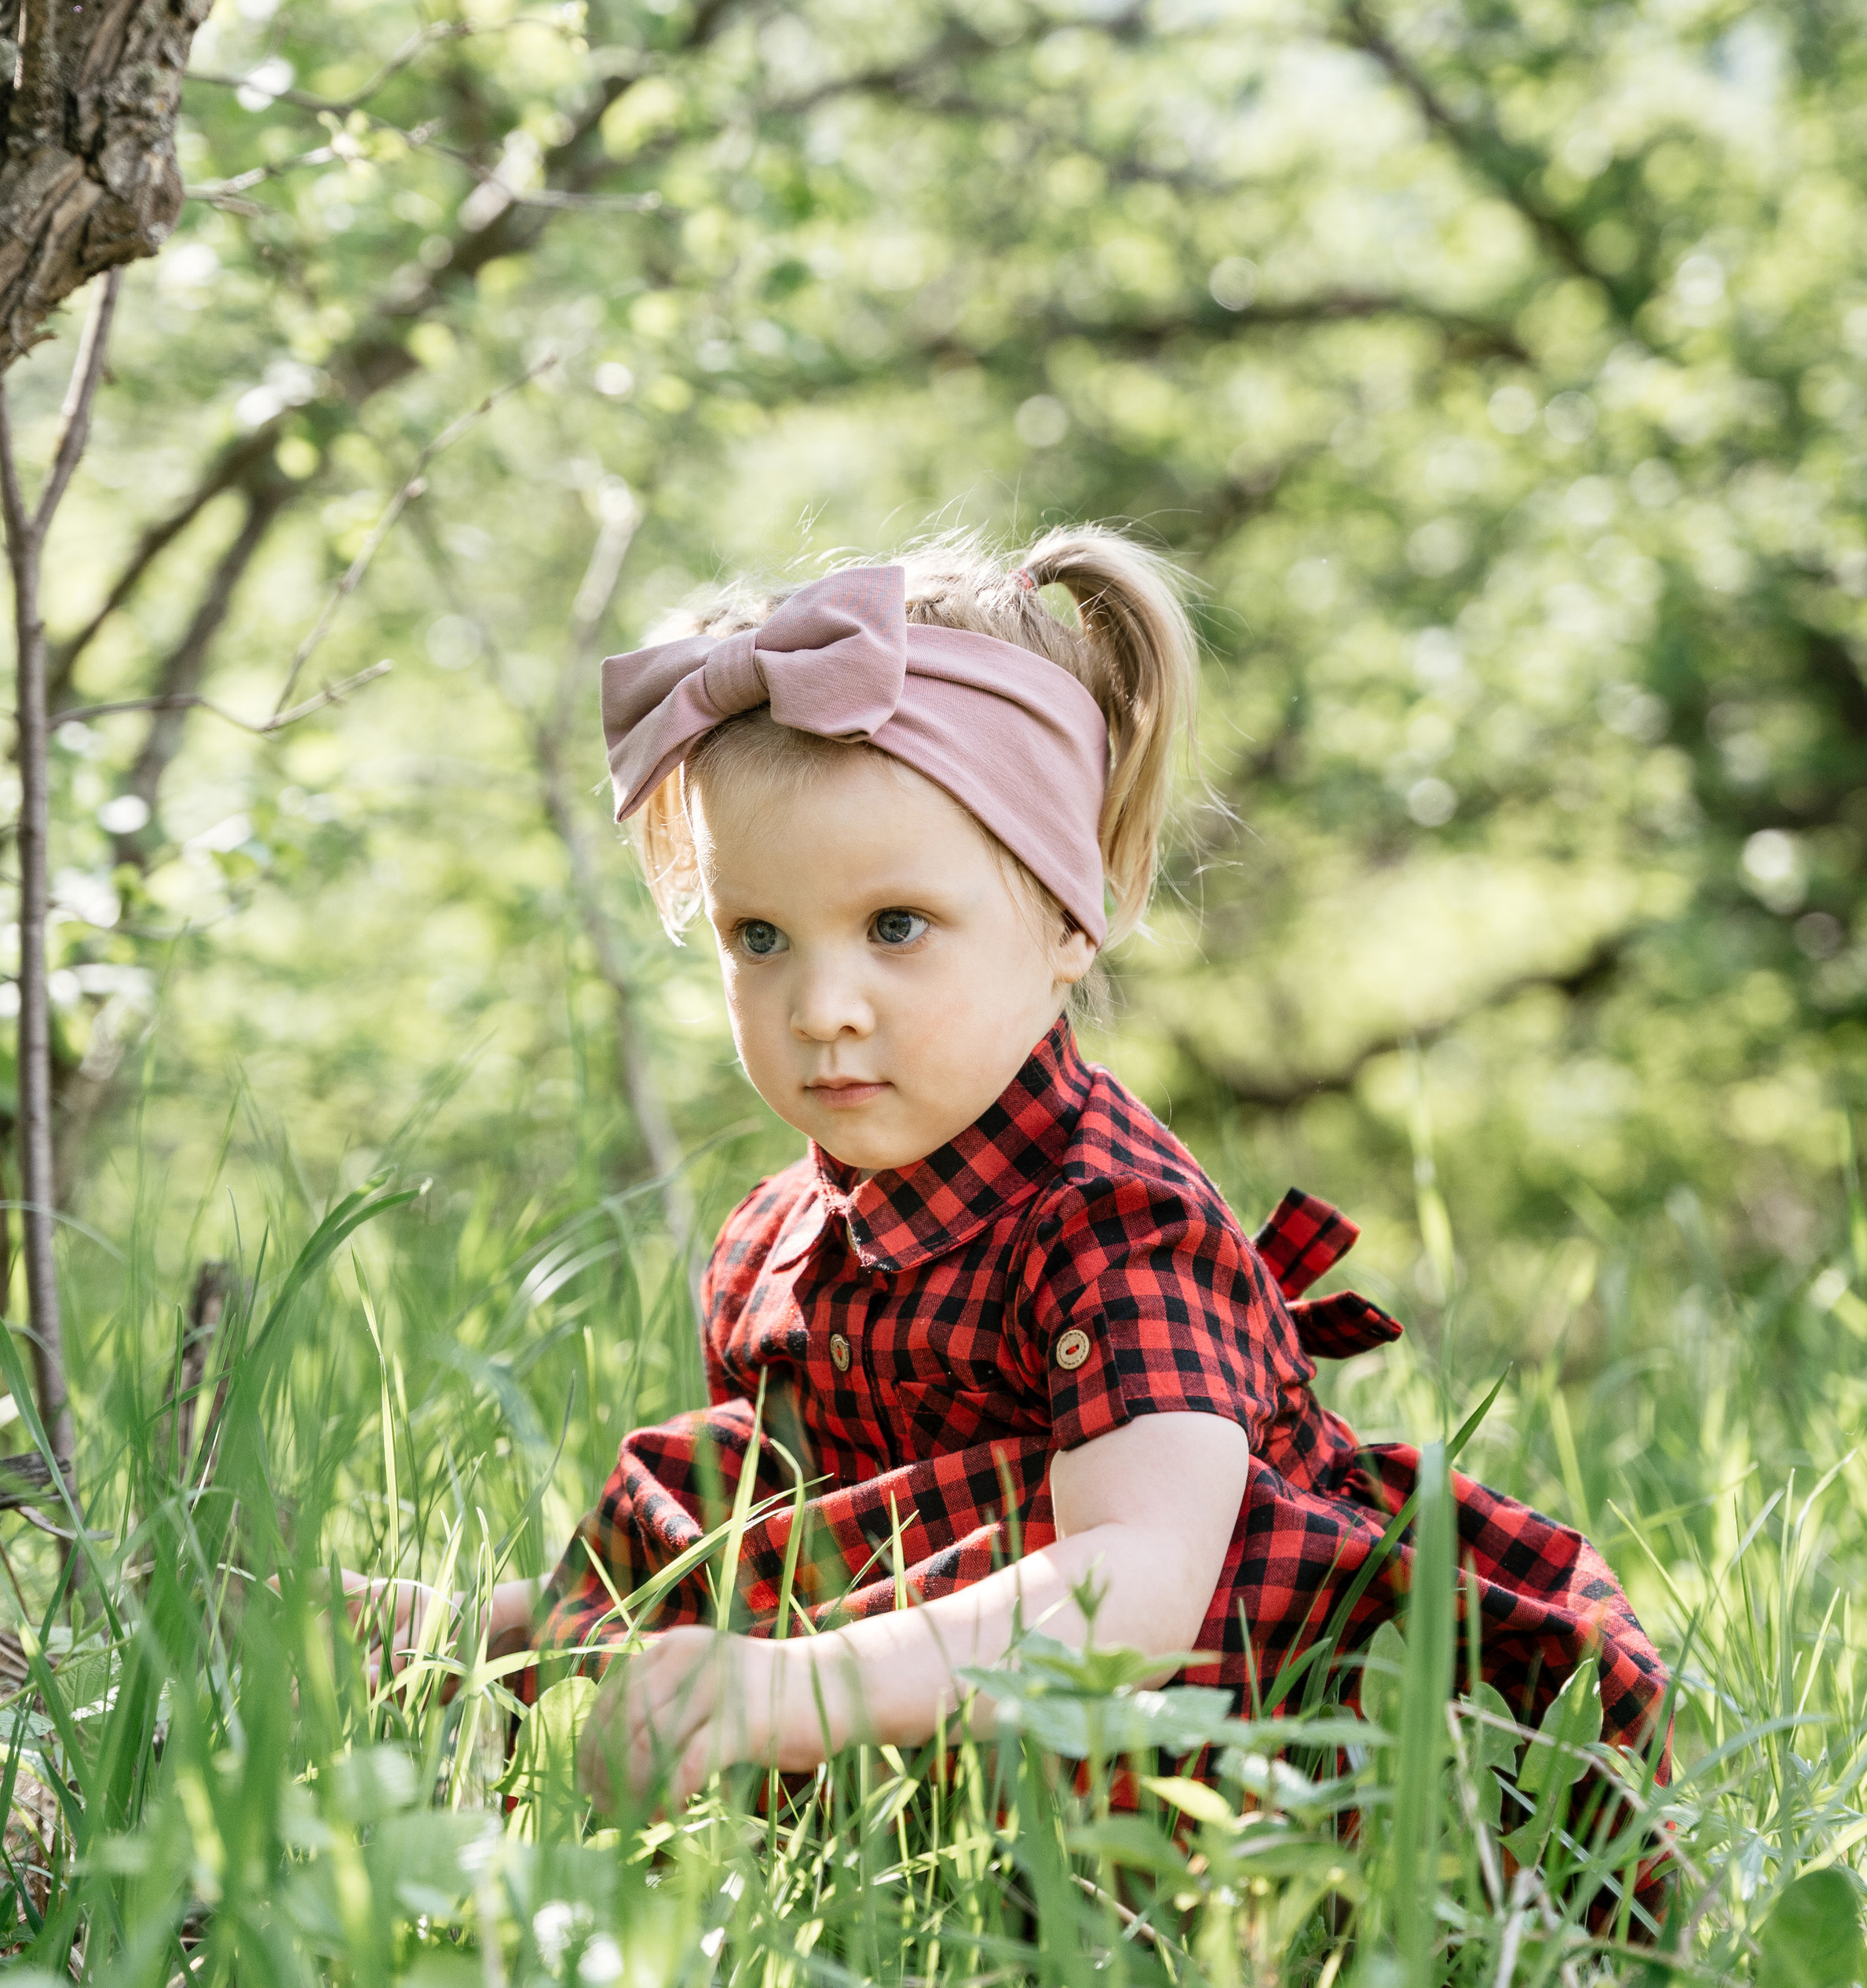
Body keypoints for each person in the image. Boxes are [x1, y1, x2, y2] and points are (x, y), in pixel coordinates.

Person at [353, 532, 1669, 1821]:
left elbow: (1142, 1590)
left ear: (1064, 915)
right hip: (948, 1733)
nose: (822, 1005)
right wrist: (492, 1634)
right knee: (734, 1476)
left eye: (896, 927)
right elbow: (783, 1556)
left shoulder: (1115, 1227)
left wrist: (796, 1691)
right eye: (759, 937)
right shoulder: (783, 1240)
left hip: (1243, 1739)